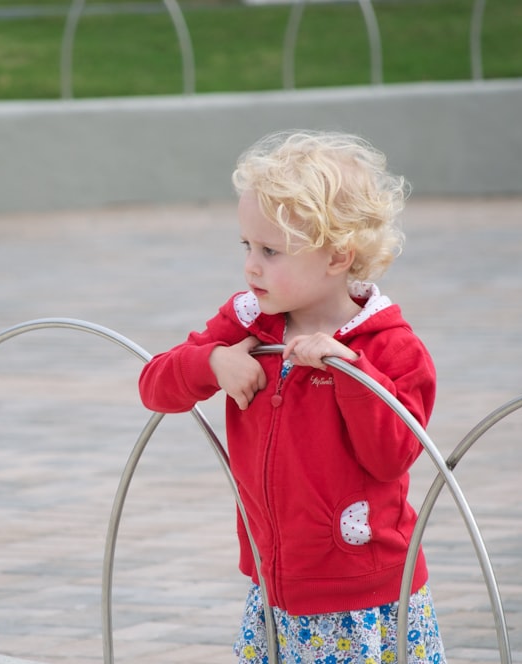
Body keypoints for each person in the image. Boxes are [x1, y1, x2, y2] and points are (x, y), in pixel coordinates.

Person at [138, 129, 446, 663]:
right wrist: (211, 361)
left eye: (271, 251)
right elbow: (155, 386)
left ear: (336, 257)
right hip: (276, 585)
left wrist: (349, 371)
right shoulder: (248, 324)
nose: (251, 265)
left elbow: (392, 454)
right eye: (247, 246)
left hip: (363, 592)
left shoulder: (391, 348)